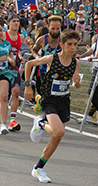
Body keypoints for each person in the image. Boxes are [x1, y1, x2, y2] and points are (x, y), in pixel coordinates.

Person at [24, 29, 81, 183]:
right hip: (49, 99)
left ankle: (38, 168)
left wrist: (77, 82)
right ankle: (40, 123)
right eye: (69, 44)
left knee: (57, 137)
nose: (73, 47)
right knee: (59, 130)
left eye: (75, 44)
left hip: (64, 101)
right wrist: (28, 86)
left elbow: (76, 86)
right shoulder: (51, 59)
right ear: (62, 45)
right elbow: (29, 63)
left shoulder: (76, 63)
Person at [4, 15, 25, 131]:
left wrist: (20, 57)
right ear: (8, 23)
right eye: (13, 21)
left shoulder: (20, 36)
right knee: (1, 96)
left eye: (18, 21)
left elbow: (18, 51)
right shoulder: (3, 35)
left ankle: (12, 120)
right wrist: (8, 58)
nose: (16, 23)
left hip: (14, 67)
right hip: (2, 67)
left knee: (16, 92)